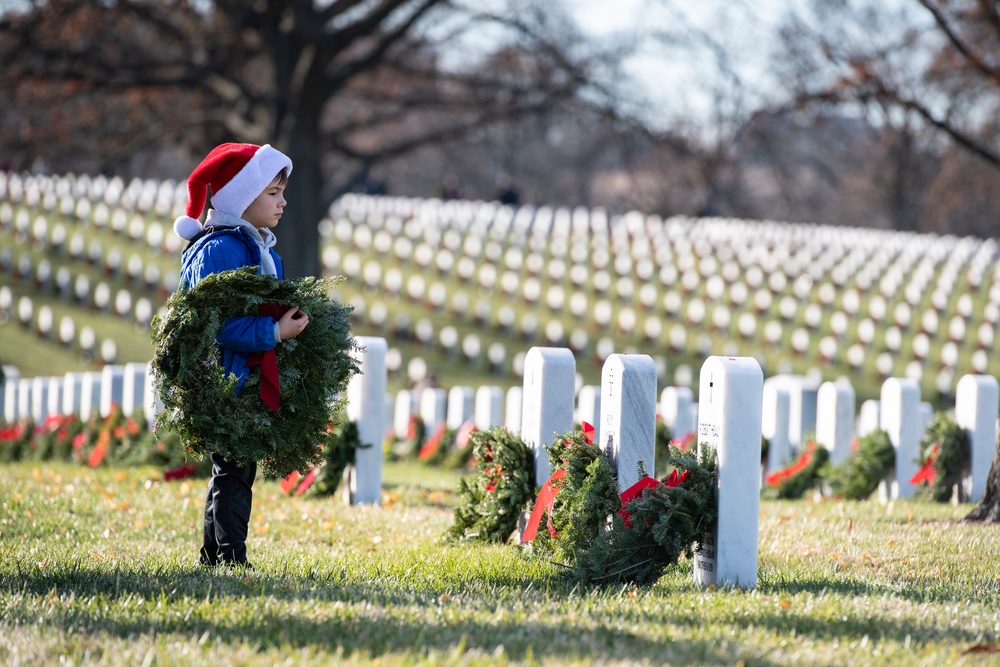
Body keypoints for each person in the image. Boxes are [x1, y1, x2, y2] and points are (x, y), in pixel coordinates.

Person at [173, 142, 309, 569]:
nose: (283, 201)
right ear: (240, 196)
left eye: (282, 192)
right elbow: (220, 324)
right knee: (233, 470)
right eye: (272, 193)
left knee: (234, 470)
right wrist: (274, 331)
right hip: (225, 378)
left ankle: (214, 556)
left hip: (247, 373)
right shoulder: (222, 250)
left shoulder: (261, 249)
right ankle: (231, 558)